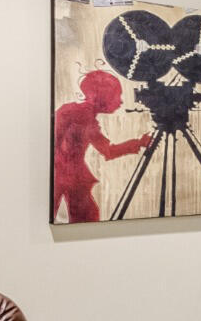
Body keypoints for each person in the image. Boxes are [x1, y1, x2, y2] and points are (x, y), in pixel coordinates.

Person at [52, 69, 150, 223]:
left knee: (86, 217)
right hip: (69, 177)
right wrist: (139, 143)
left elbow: (107, 151)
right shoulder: (83, 117)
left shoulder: (74, 112)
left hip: (67, 176)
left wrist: (138, 143)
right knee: (86, 218)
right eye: (117, 95)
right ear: (104, 97)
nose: (121, 101)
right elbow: (109, 151)